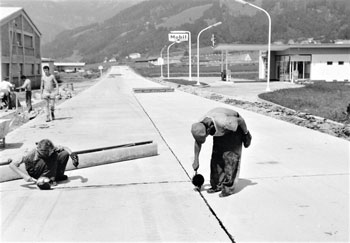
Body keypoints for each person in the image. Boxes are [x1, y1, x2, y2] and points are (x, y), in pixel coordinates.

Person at [191, 107, 252, 197]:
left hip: (235, 130)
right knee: (216, 157)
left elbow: (240, 121)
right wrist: (196, 160)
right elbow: (198, 141)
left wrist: (246, 134)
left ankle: (228, 188)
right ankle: (217, 185)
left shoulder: (225, 122)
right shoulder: (200, 124)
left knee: (230, 158)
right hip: (220, 130)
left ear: (209, 128)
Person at [9, 139, 79, 188]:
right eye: (46, 152)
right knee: (50, 158)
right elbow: (12, 165)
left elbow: (64, 147)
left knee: (64, 154)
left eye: (50, 151)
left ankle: (57, 176)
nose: (49, 153)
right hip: (36, 171)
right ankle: (47, 180)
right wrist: (26, 177)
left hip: (48, 170)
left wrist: (72, 155)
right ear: (39, 150)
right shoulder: (30, 153)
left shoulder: (50, 148)